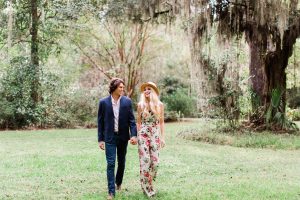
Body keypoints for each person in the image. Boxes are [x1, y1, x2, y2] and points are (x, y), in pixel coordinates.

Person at [98, 78, 137, 200]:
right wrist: (100, 139)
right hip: (109, 137)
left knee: (121, 162)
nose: (122, 89)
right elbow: (100, 122)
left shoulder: (127, 102)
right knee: (110, 163)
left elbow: (132, 120)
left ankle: (118, 182)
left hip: (123, 137)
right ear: (114, 88)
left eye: (123, 87)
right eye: (120, 87)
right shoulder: (103, 102)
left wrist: (134, 135)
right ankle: (111, 192)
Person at [137, 81, 165, 198]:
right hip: (143, 134)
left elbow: (162, 122)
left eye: (149, 89)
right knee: (145, 161)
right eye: (145, 89)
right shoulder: (140, 105)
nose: (146, 91)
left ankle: (148, 181)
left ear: (153, 91)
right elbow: (138, 122)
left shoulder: (160, 105)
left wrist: (162, 138)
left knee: (155, 163)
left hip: (154, 134)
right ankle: (148, 187)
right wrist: (137, 135)